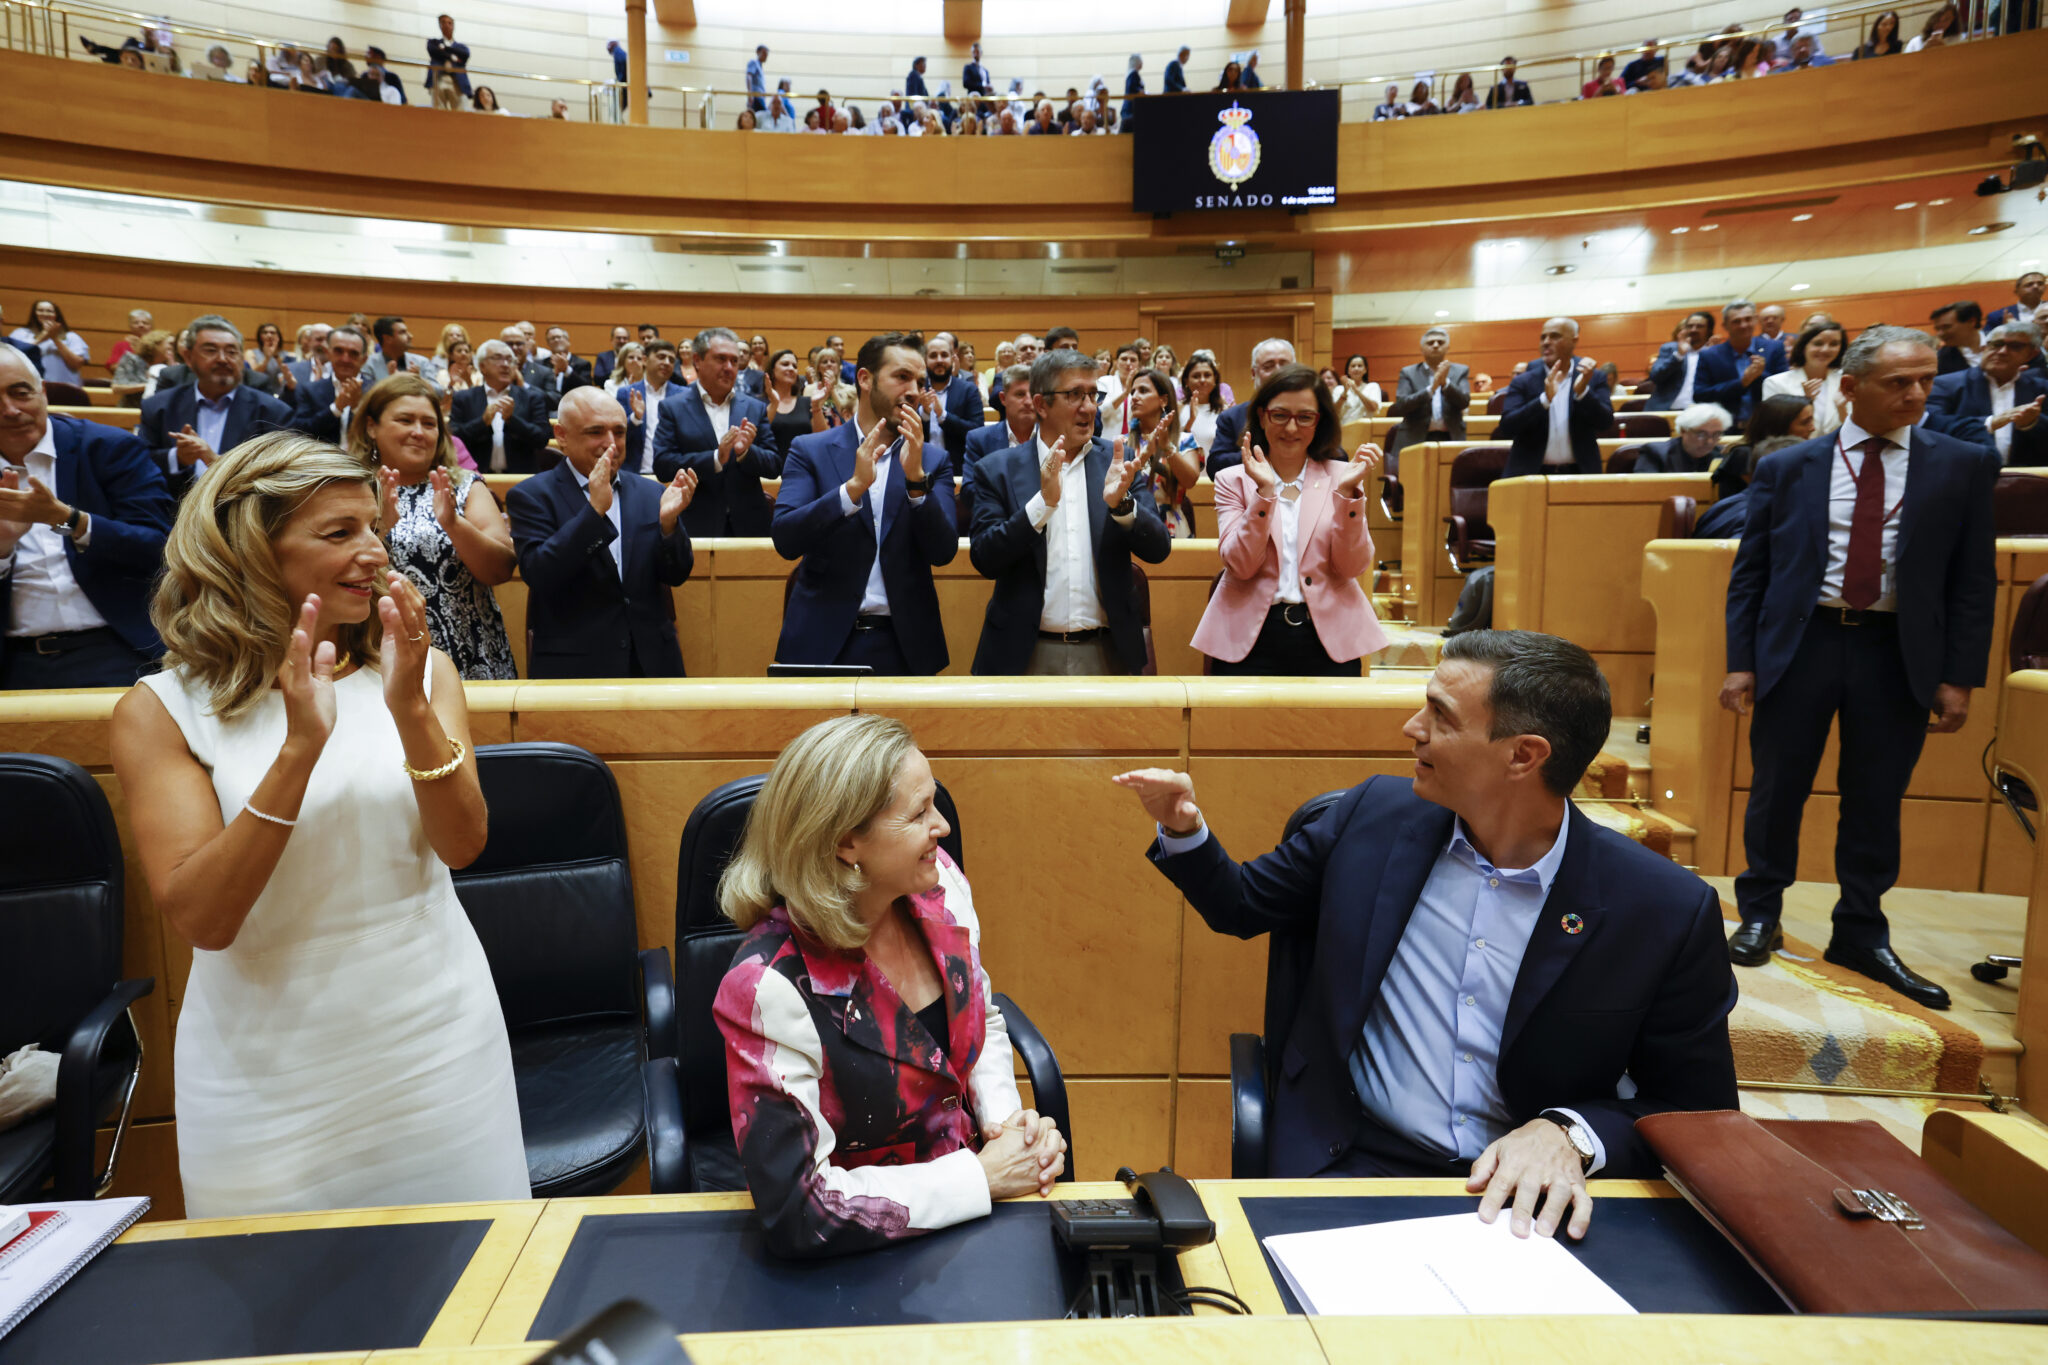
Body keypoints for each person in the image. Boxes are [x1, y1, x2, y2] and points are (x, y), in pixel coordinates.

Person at [1115, 629, 1739, 1214]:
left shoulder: (1661, 908)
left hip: (1529, 1195)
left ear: (1523, 756)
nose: (1412, 728)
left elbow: (1698, 1113)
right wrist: (1183, 828)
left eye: (1441, 715)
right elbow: (1241, 905)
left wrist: (1569, 1134)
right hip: (1348, 1160)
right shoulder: (1371, 819)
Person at [109, 430, 527, 1217]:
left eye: (373, 526)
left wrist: (407, 710)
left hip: (438, 1042)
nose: (375, 551)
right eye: (339, 533)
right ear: (250, 551)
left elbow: (463, 844)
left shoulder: (422, 670)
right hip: (265, 1074)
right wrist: (300, 748)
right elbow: (205, 916)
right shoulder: (161, 710)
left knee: (472, 1293)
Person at [715, 714, 1064, 1257]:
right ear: (846, 842)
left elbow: (982, 1016)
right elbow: (799, 1209)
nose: (943, 826)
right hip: (865, 1256)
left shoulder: (939, 884)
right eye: (920, 812)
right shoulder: (769, 988)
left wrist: (1005, 1126)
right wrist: (979, 1178)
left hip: (979, 1219)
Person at [1722, 326, 1997, 1010]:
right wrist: (1741, 662)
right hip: (1804, 642)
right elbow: (1751, 577)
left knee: (1876, 797)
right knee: (1777, 786)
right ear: (1849, 387)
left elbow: (1973, 581)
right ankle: (1761, 911)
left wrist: (1959, 675)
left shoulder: (1961, 464)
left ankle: (1862, 931)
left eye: (1926, 379)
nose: (1917, 393)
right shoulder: (1790, 467)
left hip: (1895, 649)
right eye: (1898, 381)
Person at [965, 349, 1168, 676]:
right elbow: (985, 558)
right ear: (1041, 404)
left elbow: (1159, 549)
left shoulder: (1116, 462)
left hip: (1108, 652)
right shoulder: (996, 470)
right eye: (1074, 394)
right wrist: (1041, 505)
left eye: (1093, 394)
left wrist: (1123, 506)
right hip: (1023, 654)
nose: (1089, 407)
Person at [772, 334, 957, 677]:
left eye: (919, 381)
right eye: (902, 377)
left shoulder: (933, 460)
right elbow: (786, 538)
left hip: (905, 644)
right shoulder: (809, 449)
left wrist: (916, 481)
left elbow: (943, 552)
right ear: (865, 379)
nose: (915, 390)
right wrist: (851, 489)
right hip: (821, 639)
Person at [1193, 365, 1385, 676]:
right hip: (1249, 639)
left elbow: (1353, 566)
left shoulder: (1343, 476)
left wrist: (1349, 495)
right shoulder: (1232, 480)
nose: (1292, 429)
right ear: (1262, 415)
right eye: (1280, 415)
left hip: (1328, 638)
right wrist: (1265, 494)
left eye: (1305, 417)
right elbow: (1241, 565)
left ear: (1319, 420)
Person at [0, 346, 172, 689]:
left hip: (116, 645)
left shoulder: (109, 448)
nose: (10, 410)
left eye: (21, 393)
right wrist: (2, 549)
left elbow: (160, 546)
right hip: (11, 660)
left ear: (43, 392)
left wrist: (68, 520)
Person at [505, 387, 697, 678]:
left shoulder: (651, 492)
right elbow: (540, 573)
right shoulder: (531, 495)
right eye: (596, 432)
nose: (611, 444)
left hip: (653, 664)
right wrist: (593, 512)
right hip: (575, 669)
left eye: (619, 433)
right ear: (562, 436)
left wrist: (669, 528)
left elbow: (677, 574)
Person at [351, 375, 516, 681]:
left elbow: (501, 570)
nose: (418, 432)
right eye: (405, 420)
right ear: (372, 426)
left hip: (469, 655)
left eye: (429, 423)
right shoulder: (349, 489)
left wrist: (453, 523)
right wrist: (379, 530)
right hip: (377, 655)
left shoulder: (462, 485)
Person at [140, 315, 293, 497]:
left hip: (243, 517)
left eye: (231, 352)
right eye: (211, 350)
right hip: (172, 517)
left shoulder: (273, 412)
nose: (222, 359)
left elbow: (283, 478)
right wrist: (177, 458)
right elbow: (140, 464)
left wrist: (215, 462)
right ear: (188, 357)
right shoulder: (159, 407)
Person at [651, 327, 781, 538]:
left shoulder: (754, 407)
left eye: (734, 361)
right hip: (696, 526)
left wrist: (746, 453)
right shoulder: (673, 408)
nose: (729, 367)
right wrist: (715, 458)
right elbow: (663, 465)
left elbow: (774, 465)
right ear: (697, 361)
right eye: (721, 359)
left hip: (750, 527)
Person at [1497, 318, 1612, 478]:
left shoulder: (1593, 377)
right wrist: (1544, 400)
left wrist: (1583, 393)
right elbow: (1507, 427)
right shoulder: (1523, 381)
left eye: (1555, 336)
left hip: (1579, 474)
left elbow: (1606, 423)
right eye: (1543, 337)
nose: (1546, 342)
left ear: (1574, 340)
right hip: (1530, 475)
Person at [1923, 322, 2048, 466]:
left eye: (2015, 346)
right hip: (1964, 474)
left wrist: (2030, 423)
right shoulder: (1945, 385)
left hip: (2027, 478)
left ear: (2031, 354)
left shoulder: (2042, 388)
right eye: (1996, 344)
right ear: (1984, 348)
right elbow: (1931, 426)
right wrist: (1990, 422)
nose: (2002, 351)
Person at [449, 340, 552, 474]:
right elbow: (453, 440)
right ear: (482, 366)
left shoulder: (532, 398)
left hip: (520, 478)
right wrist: (482, 422)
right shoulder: (464, 398)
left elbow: (542, 439)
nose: (505, 365)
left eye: (510, 360)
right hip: (475, 477)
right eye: (497, 359)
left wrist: (512, 420)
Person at [1121, 367, 1199, 538]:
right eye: (1132, 391)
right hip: (1132, 527)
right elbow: (1118, 488)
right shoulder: (1122, 443)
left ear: (1163, 400)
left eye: (1143, 391)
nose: (1134, 397)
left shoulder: (1183, 440)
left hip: (1171, 527)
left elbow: (1190, 480)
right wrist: (1146, 453)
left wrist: (1166, 446)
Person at [1206, 338, 1299, 475]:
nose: (1278, 372)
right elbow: (1215, 466)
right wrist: (1264, 454)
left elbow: (1337, 456)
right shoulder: (1231, 417)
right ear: (1254, 374)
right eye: (1268, 366)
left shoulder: (1310, 414)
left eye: (1285, 365)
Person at [1385, 329, 1469, 475]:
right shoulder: (1408, 372)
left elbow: (1464, 401)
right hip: (1414, 438)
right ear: (1422, 349)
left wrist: (1446, 384)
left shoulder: (1460, 371)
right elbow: (1402, 405)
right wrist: (1431, 389)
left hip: (1450, 438)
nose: (1435, 345)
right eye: (1430, 343)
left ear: (1448, 348)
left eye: (1440, 342)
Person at [1694, 298, 1786, 423]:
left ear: (1755, 320)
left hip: (1767, 425)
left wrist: (1759, 375)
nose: (1743, 325)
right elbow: (1699, 395)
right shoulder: (1710, 354)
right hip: (1726, 427)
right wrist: (1742, 382)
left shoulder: (1774, 348)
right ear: (1725, 326)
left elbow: (1784, 391)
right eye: (1736, 321)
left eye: (1748, 319)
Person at [287, 323, 371, 445]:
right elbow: (299, 433)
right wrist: (336, 409)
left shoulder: (376, 391)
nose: (345, 359)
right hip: (322, 462)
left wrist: (357, 409)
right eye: (339, 351)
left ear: (364, 359)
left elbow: (383, 434)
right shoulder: (309, 390)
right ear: (328, 353)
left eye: (353, 353)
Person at [1762, 321, 1848, 434]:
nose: (1825, 349)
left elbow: (1856, 428)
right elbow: (1773, 429)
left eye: (1834, 344)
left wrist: (1842, 410)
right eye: (1818, 343)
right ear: (1803, 346)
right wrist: (1805, 402)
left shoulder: (1847, 381)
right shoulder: (1775, 383)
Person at [621, 338, 684, 475]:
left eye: (671, 360)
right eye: (661, 357)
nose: (667, 363)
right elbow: (617, 435)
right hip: (635, 474)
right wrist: (635, 418)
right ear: (644, 360)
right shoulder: (626, 393)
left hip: (672, 476)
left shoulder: (684, 395)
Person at [966, 364, 1037, 481]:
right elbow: (969, 489)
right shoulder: (980, 440)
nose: (1028, 401)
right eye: (1020, 394)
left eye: (1033, 394)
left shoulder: (1054, 438)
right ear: (1003, 398)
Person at [924, 333, 984, 467]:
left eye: (944, 355)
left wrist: (943, 416)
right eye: (933, 356)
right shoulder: (916, 390)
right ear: (925, 360)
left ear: (952, 359)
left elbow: (977, 431)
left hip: (957, 468)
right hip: (920, 468)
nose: (939, 360)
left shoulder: (968, 390)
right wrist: (924, 414)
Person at [10, 300, 91, 387]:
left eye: (49, 311)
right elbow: (12, 360)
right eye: (40, 310)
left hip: (65, 389)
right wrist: (42, 338)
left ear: (56, 315)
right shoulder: (20, 333)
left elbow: (76, 364)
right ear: (34, 313)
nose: (45, 314)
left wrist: (55, 338)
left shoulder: (71, 337)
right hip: (29, 388)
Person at [1633, 402, 1731, 473]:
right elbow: (1645, 491)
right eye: (1701, 434)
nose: (1709, 441)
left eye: (1716, 434)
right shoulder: (1655, 453)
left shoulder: (1724, 455)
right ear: (1683, 430)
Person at [1646, 312, 1716, 411]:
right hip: (1668, 409)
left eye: (1699, 326)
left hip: (1703, 411)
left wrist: (1713, 357)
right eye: (1690, 326)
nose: (1693, 329)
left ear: (1709, 330)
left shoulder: (1715, 352)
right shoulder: (1670, 349)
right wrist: (1679, 355)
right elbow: (1655, 376)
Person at [763, 348, 825, 456]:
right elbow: (759, 435)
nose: (791, 368)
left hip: (802, 467)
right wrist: (774, 404)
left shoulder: (807, 402)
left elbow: (821, 437)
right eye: (785, 364)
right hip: (769, 468)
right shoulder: (760, 403)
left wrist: (816, 406)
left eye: (795, 366)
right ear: (772, 370)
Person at [1178, 355, 1227, 462]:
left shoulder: (1225, 410)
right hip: (1186, 476)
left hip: (1216, 476)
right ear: (1186, 381)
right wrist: (1190, 422)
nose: (1202, 380)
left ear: (1215, 379)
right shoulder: (1178, 409)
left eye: (1207, 375)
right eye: (1196, 376)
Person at [1930, 300, 1986, 375]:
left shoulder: (2001, 341)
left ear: (1971, 321)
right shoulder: (1941, 359)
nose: (1940, 334)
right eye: (1937, 329)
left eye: (1946, 327)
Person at [425, 13, 470, 98]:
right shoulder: (433, 42)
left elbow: (465, 55)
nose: (446, 25)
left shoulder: (462, 47)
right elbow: (433, 51)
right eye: (443, 22)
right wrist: (452, 57)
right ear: (440, 26)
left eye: (449, 23)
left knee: (459, 109)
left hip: (458, 81)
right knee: (438, 109)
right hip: (438, 78)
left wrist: (445, 48)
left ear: (453, 26)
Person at [1334, 354, 1382, 424]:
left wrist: (1356, 390)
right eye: (1353, 366)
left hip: (1365, 430)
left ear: (1365, 370)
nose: (1356, 369)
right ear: (1348, 370)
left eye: (1360, 366)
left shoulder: (1373, 386)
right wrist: (1345, 392)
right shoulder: (1339, 389)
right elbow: (1334, 412)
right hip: (1344, 429)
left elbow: (1373, 408)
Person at [746, 44, 769, 115]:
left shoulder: (760, 67)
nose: (766, 56)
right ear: (758, 52)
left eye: (767, 54)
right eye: (764, 53)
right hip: (755, 97)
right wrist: (750, 94)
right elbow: (749, 76)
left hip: (760, 97)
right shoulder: (754, 63)